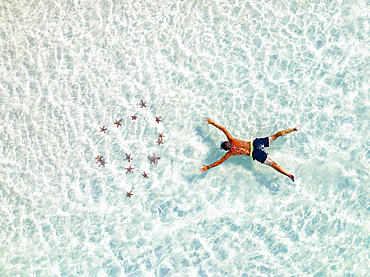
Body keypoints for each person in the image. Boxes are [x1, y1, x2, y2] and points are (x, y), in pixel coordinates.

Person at [200, 117, 300, 182]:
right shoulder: (232, 139)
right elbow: (223, 129)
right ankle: (293, 129)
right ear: (228, 142)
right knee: (275, 136)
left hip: (255, 154)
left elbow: (219, 162)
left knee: (274, 165)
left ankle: (289, 175)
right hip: (255, 143)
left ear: (226, 150)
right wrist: (212, 123)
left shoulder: (230, 153)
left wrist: (208, 167)